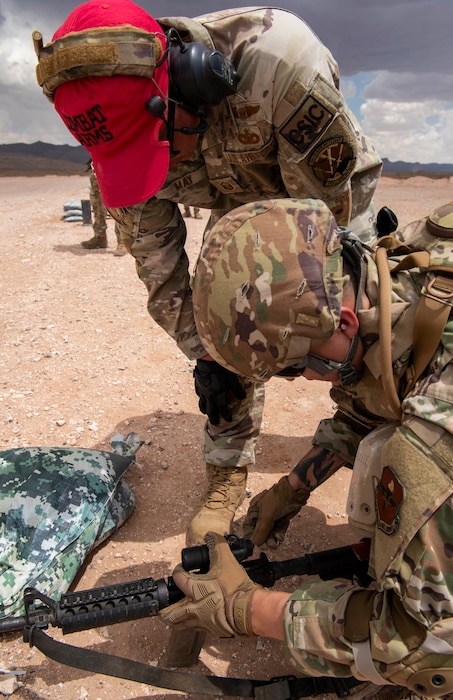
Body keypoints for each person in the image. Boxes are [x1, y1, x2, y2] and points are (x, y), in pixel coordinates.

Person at [34, 0, 383, 544]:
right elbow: (158, 262)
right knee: (225, 327)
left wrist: (324, 348)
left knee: (366, 331)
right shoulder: (115, 132)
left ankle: (382, 439)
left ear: (193, 81)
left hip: (314, 199)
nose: (165, 166)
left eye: (163, 147)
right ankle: (227, 474)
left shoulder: (279, 65)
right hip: (236, 207)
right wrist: (208, 354)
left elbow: (335, 221)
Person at [159, 198, 453, 697]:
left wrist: (249, 609)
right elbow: (375, 391)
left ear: (345, 322)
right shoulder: (404, 272)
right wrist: (293, 488)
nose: (301, 378)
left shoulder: (445, 414)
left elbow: (427, 647)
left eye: (293, 366)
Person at [82, 162, 127, 256]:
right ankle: (100, 236)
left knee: (117, 201)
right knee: (96, 202)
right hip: (97, 164)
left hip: (113, 162)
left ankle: (122, 241)